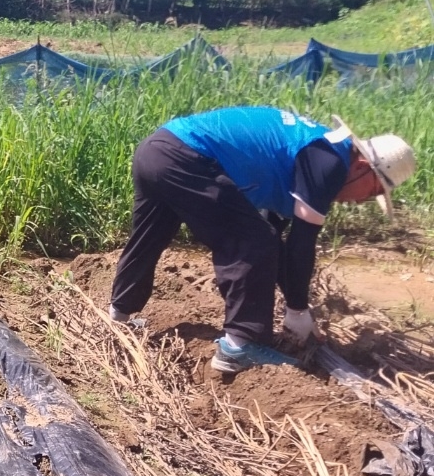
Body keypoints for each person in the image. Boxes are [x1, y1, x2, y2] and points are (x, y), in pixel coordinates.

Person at [109, 106, 415, 373]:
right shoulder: (330, 163)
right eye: (374, 192)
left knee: (150, 235)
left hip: (157, 148)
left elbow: (281, 241)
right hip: (187, 155)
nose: (362, 202)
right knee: (253, 242)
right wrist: (297, 310)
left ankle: (118, 316)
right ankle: (240, 345)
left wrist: (300, 309)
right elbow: (301, 242)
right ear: (363, 167)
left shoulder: (317, 151)